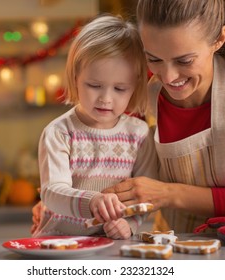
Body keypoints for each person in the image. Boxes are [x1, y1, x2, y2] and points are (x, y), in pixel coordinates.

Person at [101, 0, 225, 233]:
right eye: (154, 59)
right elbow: (110, 167)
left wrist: (168, 194)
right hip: (167, 248)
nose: (168, 77)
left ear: (219, 39)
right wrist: (63, 205)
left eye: (184, 61)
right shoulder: (139, 90)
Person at [31, 14, 158, 239]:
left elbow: (145, 195)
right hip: (58, 244)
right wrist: (93, 202)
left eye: (120, 89)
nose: (106, 98)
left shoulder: (139, 135)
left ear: (135, 85)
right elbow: (52, 193)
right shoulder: (59, 133)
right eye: (94, 85)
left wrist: (129, 225)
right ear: (75, 76)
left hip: (111, 245)